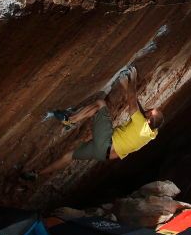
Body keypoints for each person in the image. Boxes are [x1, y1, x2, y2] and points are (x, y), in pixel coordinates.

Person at [23, 66, 163, 180]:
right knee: (69, 156)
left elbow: (132, 101)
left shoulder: (141, 124)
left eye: (151, 111)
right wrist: (127, 87)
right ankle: (37, 174)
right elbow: (139, 110)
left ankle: (70, 121)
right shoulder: (152, 133)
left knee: (101, 104)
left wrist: (131, 79)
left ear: (148, 119)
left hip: (106, 141)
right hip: (103, 154)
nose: (149, 109)